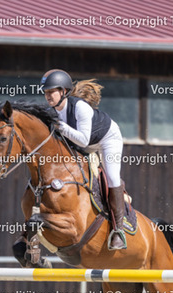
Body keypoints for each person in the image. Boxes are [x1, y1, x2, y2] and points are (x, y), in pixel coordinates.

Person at [41, 69, 127, 250]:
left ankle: (118, 229)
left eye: (51, 91)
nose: (48, 96)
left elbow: (83, 140)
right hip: (83, 143)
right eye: (46, 92)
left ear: (64, 91)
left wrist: (61, 126)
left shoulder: (80, 107)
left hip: (107, 139)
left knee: (112, 177)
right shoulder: (51, 111)